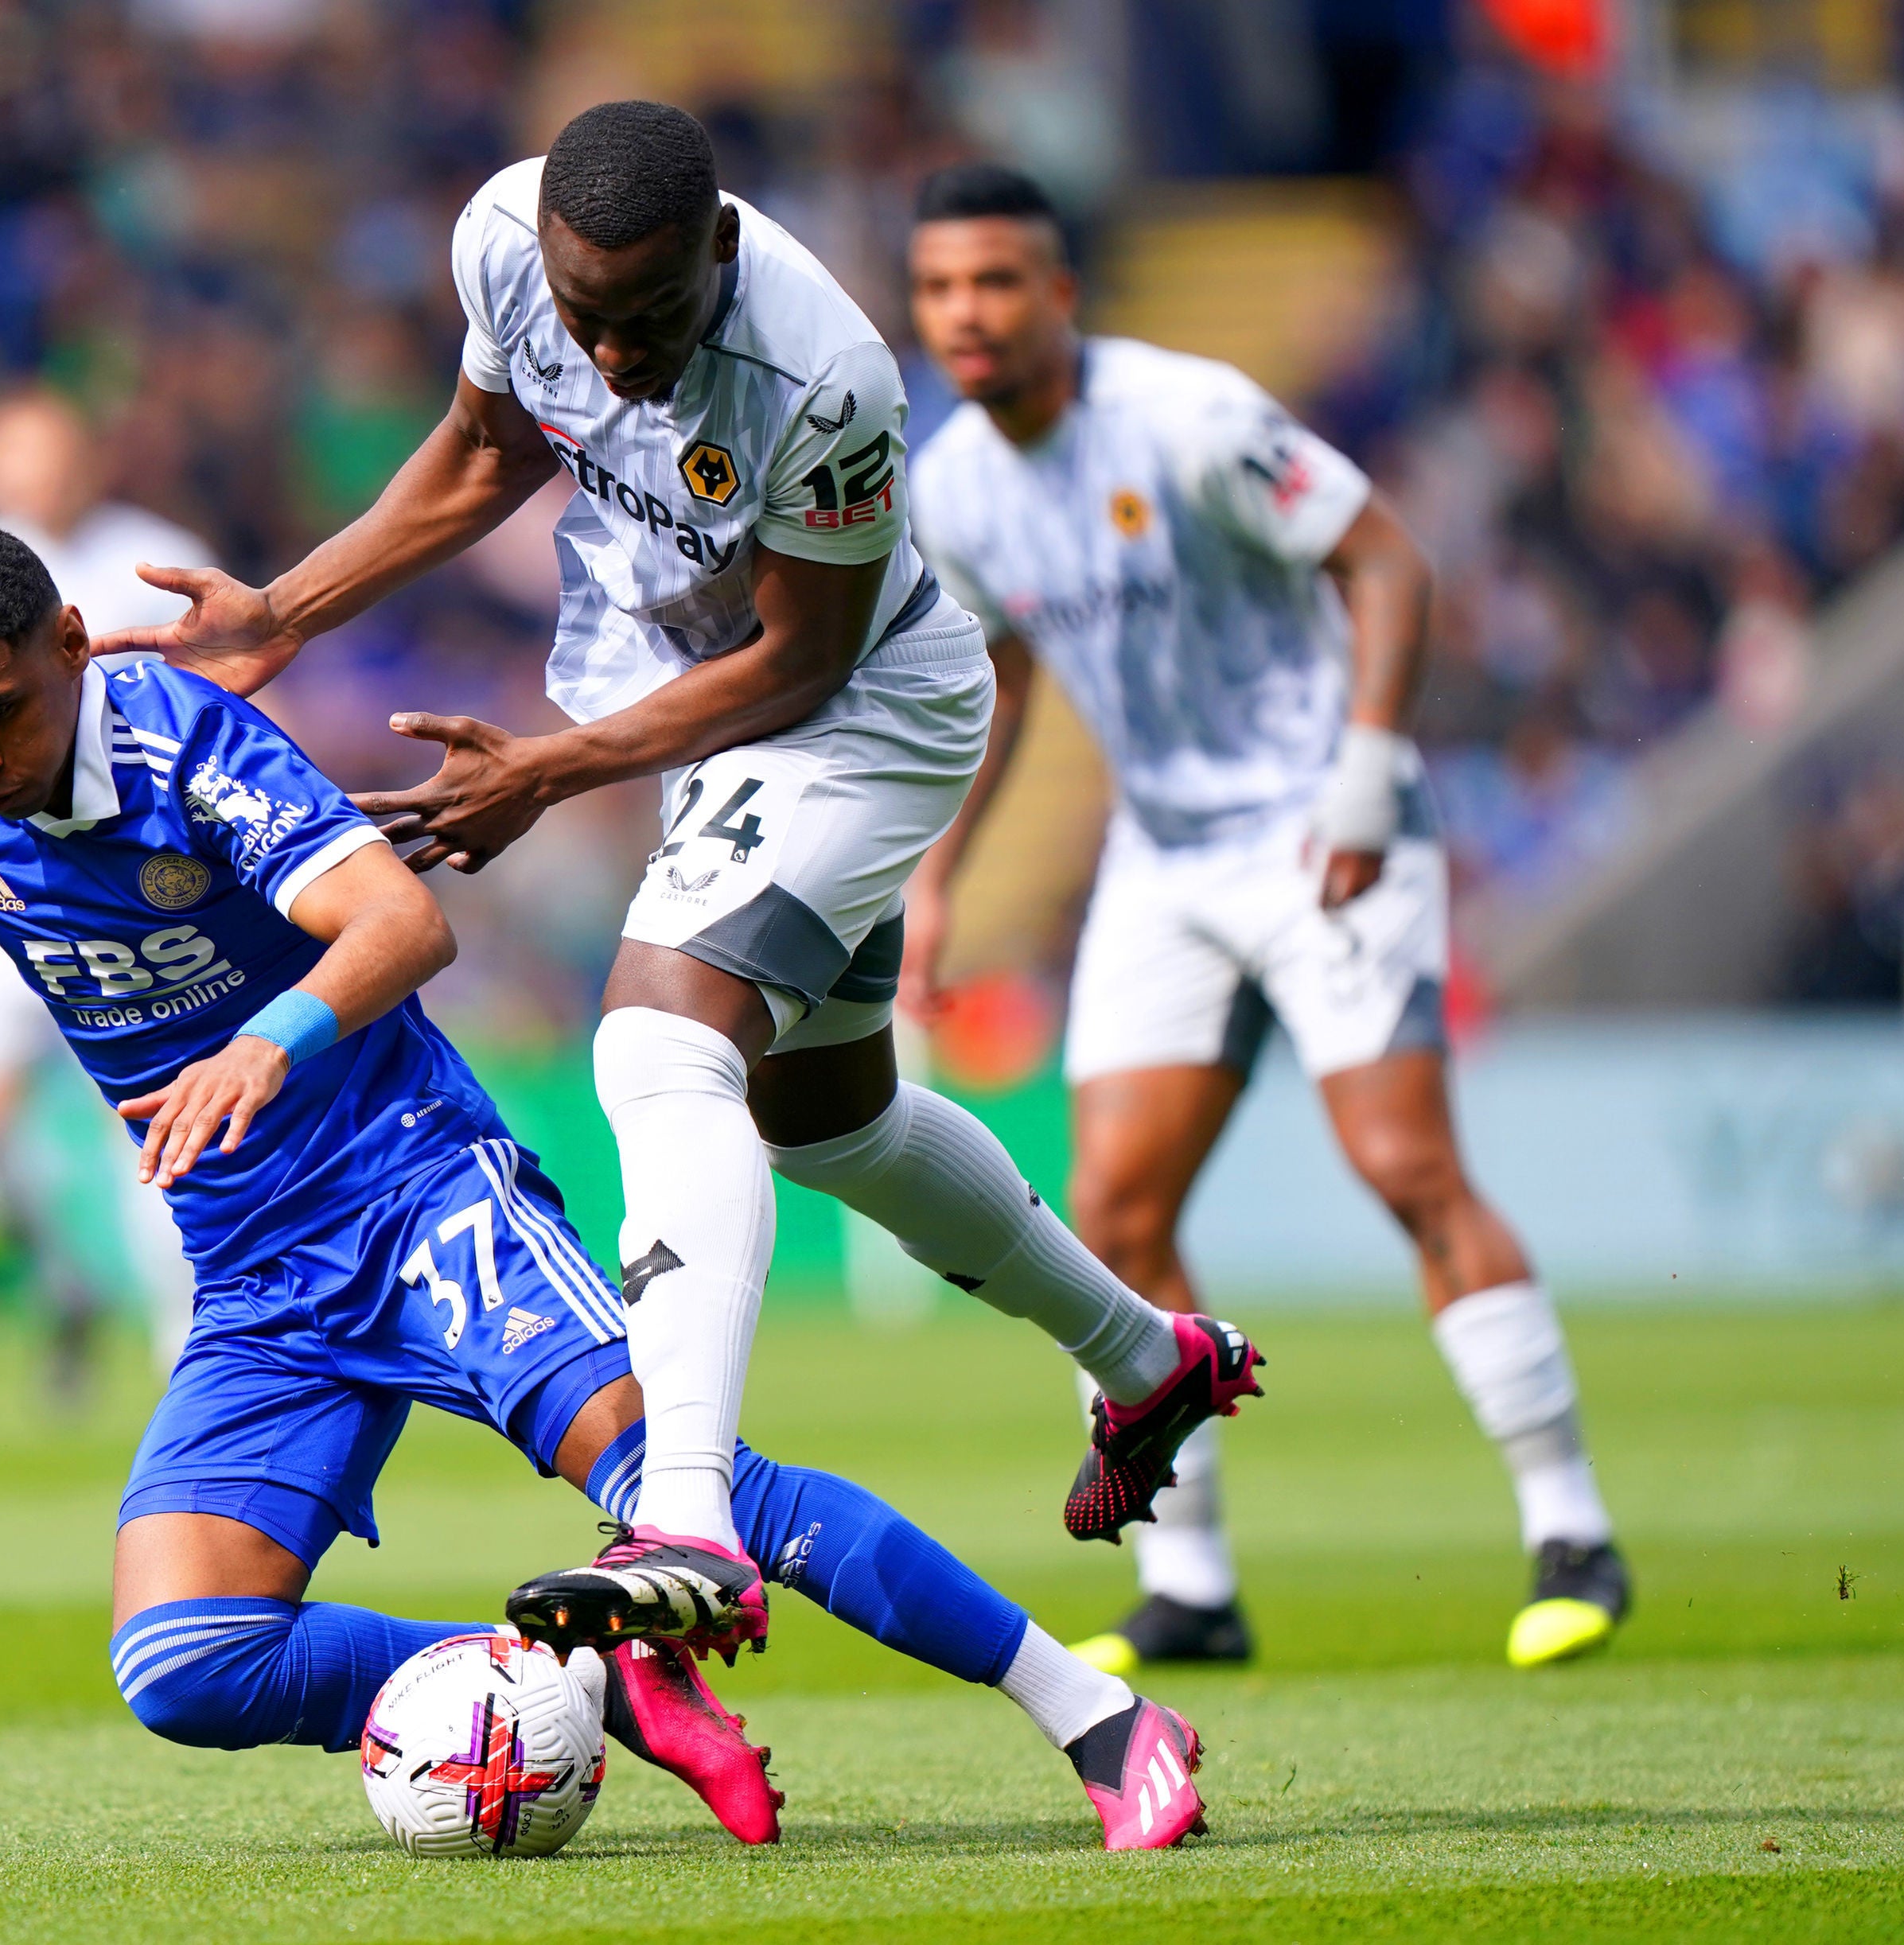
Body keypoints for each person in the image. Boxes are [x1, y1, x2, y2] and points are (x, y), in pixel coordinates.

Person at [0, 524, 1215, 1850]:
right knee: (179, 1658)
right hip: (256, 1279)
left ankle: (1102, 1718)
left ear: (76, 646)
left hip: (418, 1198)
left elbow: (397, 922)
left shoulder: (190, 748)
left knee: (677, 1489)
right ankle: (563, 1680)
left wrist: (265, 1048)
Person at [92, 101, 1263, 1656]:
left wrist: (550, 768)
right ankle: (1147, 1358)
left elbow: (807, 656)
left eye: (649, 321)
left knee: (656, 1036)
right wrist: (285, 609)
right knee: (828, 1123)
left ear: (716, 249)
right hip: (696, 702)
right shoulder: (509, 238)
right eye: (591, 322)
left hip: (860, 718)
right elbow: (481, 454)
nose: (620, 358)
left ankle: (688, 1516)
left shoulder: (826, 375)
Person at [903, 163, 1629, 1674]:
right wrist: (937, 870)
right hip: (1166, 861)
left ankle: (1573, 1532)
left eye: (996, 283)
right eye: (940, 289)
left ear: (1060, 294)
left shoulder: (1188, 416)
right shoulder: (957, 481)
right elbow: (1010, 680)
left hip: (1322, 830)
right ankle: (1192, 1588)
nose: (966, 314)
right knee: (1112, 1215)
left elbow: (1385, 562)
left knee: (1406, 1164)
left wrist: (1368, 770)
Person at [0, 391, 220, 1394]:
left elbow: (229, 690)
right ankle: (64, 1280)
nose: (31, 478)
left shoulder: (154, 555)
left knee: (146, 1118)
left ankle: (190, 1348)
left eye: (46, 454)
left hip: (133, 882)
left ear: (87, 458)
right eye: (9, 459)